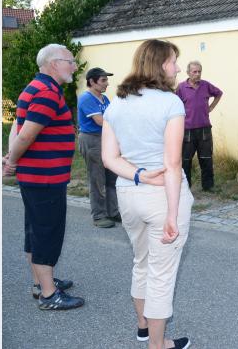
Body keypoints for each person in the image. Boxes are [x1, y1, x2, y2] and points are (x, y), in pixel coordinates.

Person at [101, 39, 193, 349]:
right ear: (159, 65)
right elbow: (172, 162)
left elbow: (110, 159)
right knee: (161, 274)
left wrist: (138, 174)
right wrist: (171, 213)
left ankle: (143, 327)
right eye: (173, 62)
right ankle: (158, 344)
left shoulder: (116, 104)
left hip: (128, 194)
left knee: (141, 262)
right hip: (163, 195)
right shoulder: (171, 103)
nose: (177, 67)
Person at [3, 43, 84, 310]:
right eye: (69, 61)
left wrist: (11, 158)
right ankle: (49, 295)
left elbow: (17, 125)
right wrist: (11, 162)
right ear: (53, 64)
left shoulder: (34, 87)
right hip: (45, 178)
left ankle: (41, 282)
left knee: (36, 231)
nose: (74, 66)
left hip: (38, 177)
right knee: (47, 233)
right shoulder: (47, 92)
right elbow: (26, 134)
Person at [78, 67, 120, 228]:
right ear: (92, 82)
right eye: (103, 80)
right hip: (92, 140)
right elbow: (101, 121)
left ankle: (113, 212)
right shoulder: (86, 98)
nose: (107, 83)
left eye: (106, 80)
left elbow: (112, 118)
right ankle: (99, 215)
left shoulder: (104, 98)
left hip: (105, 139)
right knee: (97, 179)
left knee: (112, 178)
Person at [175, 60, 223, 192]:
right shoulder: (181, 88)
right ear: (188, 73)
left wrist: (211, 107)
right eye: (194, 72)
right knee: (185, 161)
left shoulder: (206, 85)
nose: (197, 74)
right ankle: (185, 187)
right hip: (187, 130)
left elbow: (219, 93)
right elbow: (174, 105)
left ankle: (208, 186)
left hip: (204, 129)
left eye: (199, 71)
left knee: (206, 158)